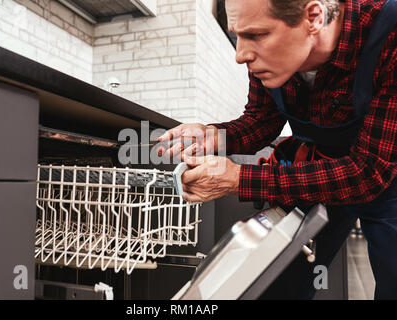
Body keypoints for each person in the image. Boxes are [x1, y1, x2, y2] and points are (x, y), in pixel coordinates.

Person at [158, 0, 397, 299]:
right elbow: (262, 120)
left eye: (256, 35)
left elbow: (369, 172)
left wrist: (239, 179)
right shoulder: (265, 60)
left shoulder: (389, 32)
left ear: (313, 17)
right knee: (278, 280)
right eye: (238, 36)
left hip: (385, 176)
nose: (240, 55)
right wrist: (215, 136)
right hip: (317, 172)